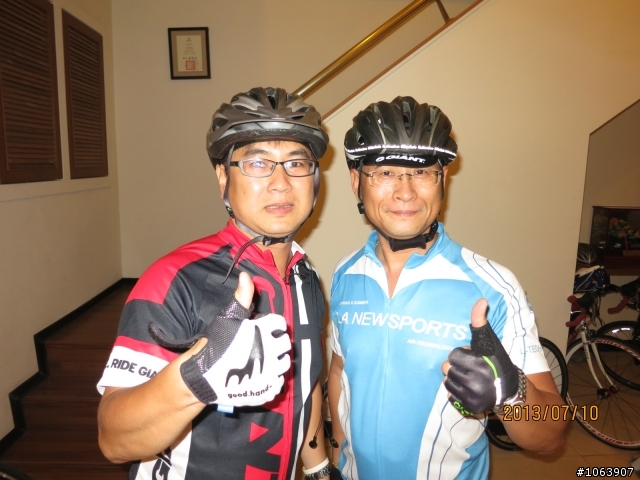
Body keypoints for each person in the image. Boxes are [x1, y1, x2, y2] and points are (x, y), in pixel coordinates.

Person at [97, 87, 334, 480]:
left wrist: (319, 469)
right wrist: (196, 378)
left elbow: (305, 384)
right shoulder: (176, 279)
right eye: (257, 163)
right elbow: (114, 439)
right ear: (223, 177)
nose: (280, 183)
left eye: (296, 163)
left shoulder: (305, 277)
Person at [327, 96, 567, 479]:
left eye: (422, 172)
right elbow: (341, 370)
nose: (405, 192)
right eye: (385, 172)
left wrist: (511, 393)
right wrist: (337, 455)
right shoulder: (346, 273)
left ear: (442, 181)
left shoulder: (492, 286)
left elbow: (550, 436)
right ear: (357, 181)